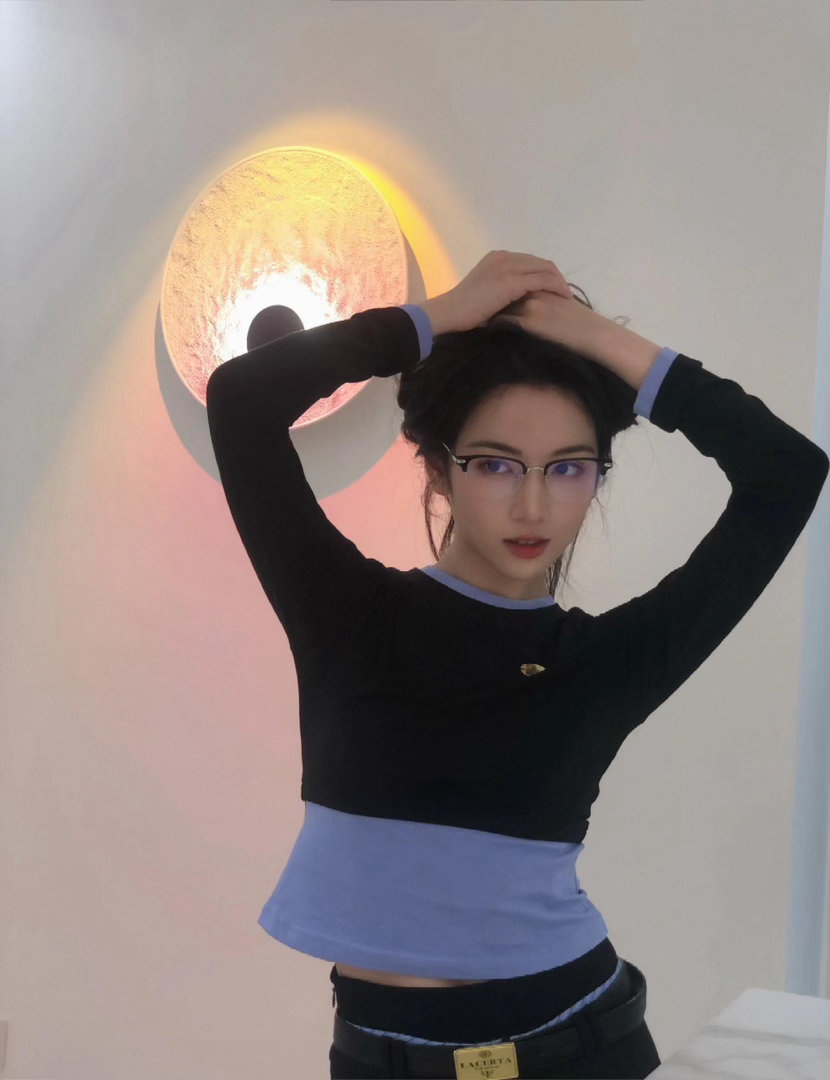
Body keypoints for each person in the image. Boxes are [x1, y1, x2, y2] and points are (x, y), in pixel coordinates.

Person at [205, 251, 829, 1079]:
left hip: (577, 1049)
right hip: (375, 1061)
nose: (533, 505)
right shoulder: (346, 614)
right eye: (495, 464)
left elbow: (787, 472)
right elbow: (242, 398)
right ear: (439, 469)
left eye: (568, 467)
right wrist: (437, 316)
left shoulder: (608, 662)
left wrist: (598, 339)